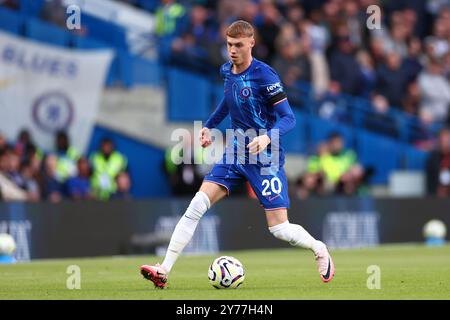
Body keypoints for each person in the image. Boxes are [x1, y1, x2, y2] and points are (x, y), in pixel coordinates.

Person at [140, 20, 335, 288]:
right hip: (236, 152)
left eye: (238, 45)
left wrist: (268, 136)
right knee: (197, 204)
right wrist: (208, 126)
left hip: (266, 156)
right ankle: (163, 270)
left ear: (251, 44)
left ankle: (319, 248)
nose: (232, 50)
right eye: (229, 44)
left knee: (279, 228)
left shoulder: (265, 76)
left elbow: (289, 118)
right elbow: (228, 102)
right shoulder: (227, 71)